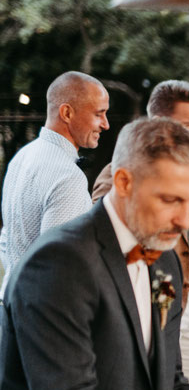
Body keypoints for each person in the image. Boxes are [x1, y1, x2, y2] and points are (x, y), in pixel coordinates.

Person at [0, 118, 189, 390]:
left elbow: (171, 382)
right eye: (171, 200)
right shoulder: (59, 262)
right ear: (124, 182)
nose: (185, 220)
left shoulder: (165, 261)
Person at [91, 80, 189, 390]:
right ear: (159, 124)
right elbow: (111, 235)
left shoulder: (187, 172)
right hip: (150, 301)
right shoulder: (121, 177)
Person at [0, 72, 109, 298]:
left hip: (10, 302)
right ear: (67, 113)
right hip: (42, 315)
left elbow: (6, 240)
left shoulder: (21, 157)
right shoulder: (67, 177)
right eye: (99, 114)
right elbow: (61, 267)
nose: (105, 125)